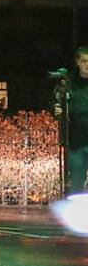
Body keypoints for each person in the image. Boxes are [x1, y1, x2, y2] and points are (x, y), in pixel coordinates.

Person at [56, 46, 88, 195]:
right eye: (84, 61)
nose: (87, 65)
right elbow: (54, 101)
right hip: (76, 144)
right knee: (76, 185)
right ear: (78, 62)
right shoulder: (67, 83)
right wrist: (55, 109)